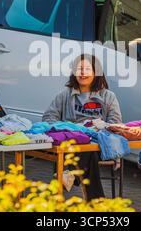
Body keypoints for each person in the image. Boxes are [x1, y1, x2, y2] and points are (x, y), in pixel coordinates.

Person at [43, 54, 122, 200]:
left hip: (100, 144)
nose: (82, 73)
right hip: (72, 144)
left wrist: (98, 128)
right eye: (79, 69)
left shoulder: (108, 96)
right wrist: (68, 128)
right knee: (86, 149)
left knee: (90, 148)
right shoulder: (64, 95)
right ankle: (96, 203)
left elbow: (115, 123)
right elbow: (48, 118)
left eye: (87, 69)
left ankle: (71, 174)